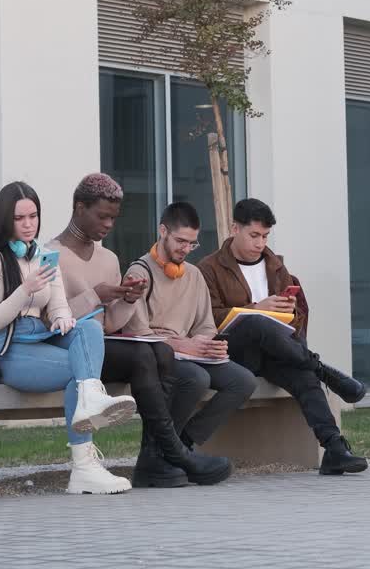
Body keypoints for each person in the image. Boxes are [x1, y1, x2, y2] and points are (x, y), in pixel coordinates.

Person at [47, 174, 232, 488]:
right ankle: (172, 452)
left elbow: (110, 324)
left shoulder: (108, 258)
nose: (108, 225)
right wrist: (96, 295)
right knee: (147, 353)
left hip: (103, 344)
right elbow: (50, 321)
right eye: (102, 216)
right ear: (80, 208)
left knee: (160, 352)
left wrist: (128, 299)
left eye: (113, 218)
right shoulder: (51, 254)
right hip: (70, 349)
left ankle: (155, 458)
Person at [0, 181, 136, 495]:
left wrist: (61, 317)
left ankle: (89, 407)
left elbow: (57, 303)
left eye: (34, 216)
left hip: (39, 336)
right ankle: (84, 465)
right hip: (4, 345)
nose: (29, 224)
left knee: (89, 328)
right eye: (20, 218)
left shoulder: (44, 256)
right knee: (79, 373)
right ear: (6, 220)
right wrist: (25, 290)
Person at [198, 198, 368, 475]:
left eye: (265, 236)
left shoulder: (276, 267)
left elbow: (299, 319)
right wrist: (255, 309)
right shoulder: (209, 268)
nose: (260, 243)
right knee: (256, 323)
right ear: (234, 229)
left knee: (304, 375)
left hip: (276, 353)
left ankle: (335, 448)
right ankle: (323, 369)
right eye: (254, 235)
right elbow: (208, 317)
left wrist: (290, 312)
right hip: (234, 354)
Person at [115, 202, 259, 460]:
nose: (186, 249)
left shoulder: (193, 274)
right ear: (162, 231)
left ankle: (183, 442)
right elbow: (136, 331)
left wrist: (206, 344)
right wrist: (180, 345)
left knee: (243, 380)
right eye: (181, 241)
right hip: (158, 354)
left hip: (190, 352)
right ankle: (163, 451)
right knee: (196, 378)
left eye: (192, 243)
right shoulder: (139, 271)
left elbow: (204, 324)